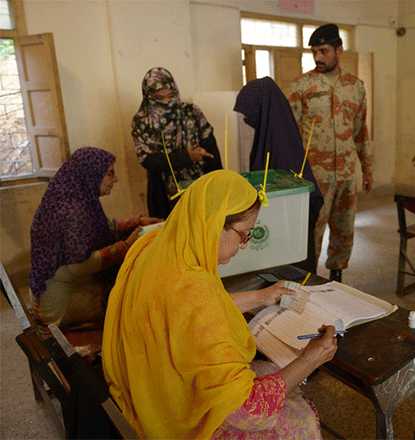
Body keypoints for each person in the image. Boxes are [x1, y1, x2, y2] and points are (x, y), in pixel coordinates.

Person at [102, 170, 338, 439]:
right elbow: (245, 409)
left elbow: (184, 312)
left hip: (148, 386)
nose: (245, 245)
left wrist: (262, 296)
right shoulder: (196, 291)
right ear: (214, 224)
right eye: (245, 234)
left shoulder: (154, 245)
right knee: (301, 421)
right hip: (176, 419)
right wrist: (310, 360)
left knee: (274, 371)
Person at [28, 147, 162, 327]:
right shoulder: (73, 210)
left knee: (134, 281)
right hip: (60, 303)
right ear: (91, 174)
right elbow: (79, 266)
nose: (115, 179)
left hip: (57, 290)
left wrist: (135, 222)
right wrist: (126, 246)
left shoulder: (70, 195)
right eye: (109, 174)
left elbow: (100, 226)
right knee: (140, 295)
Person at [289, 23, 372, 282]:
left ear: (339, 49)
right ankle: (308, 279)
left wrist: (367, 169)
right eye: (314, 52)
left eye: (324, 51)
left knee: (344, 227)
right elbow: (290, 134)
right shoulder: (301, 85)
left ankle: (337, 277)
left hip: (347, 172)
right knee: (312, 230)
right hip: (314, 175)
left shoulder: (355, 86)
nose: (318, 58)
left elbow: (361, 131)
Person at [234, 76, 324, 273]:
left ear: (262, 110)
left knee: (293, 277)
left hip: (290, 233)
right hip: (279, 229)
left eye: (249, 114)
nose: (247, 119)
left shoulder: (281, 145)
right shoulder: (269, 134)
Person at [132, 67, 223, 219]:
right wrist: (186, 157)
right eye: (159, 98)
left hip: (200, 189)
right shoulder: (142, 122)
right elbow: (148, 160)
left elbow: (211, 151)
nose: (167, 102)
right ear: (148, 97)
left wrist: (219, 187)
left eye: (171, 95)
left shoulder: (191, 112)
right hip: (165, 195)